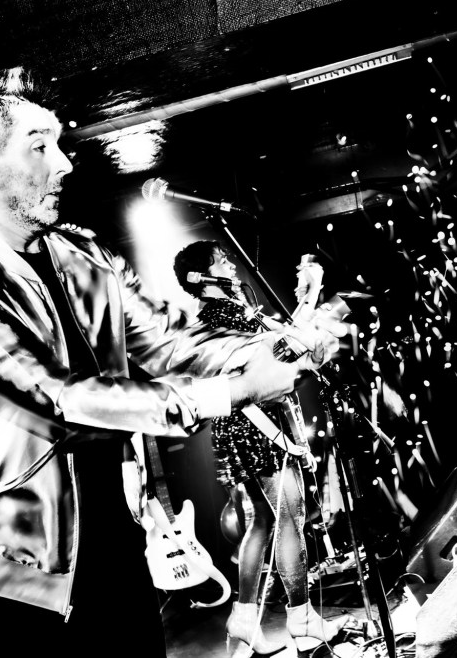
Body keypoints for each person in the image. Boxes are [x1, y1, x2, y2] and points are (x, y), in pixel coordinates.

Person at [0, 79, 338, 658]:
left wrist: (276, 349)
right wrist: (233, 392)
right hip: (11, 578)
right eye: (39, 147)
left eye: (60, 145)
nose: (63, 164)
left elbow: (171, 341)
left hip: (111, 541)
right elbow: (58, 397)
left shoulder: (82, 255)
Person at [173, 241, 349, 656]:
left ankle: (244, 617)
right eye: (221, 261)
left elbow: (284, 342)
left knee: (263, 521)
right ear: (201, 277)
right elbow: (283, 350)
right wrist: (310, 296)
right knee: (291, 516)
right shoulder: (220, 315)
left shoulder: (227, 312)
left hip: (243, 427)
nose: (232, 265)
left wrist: (305, 305)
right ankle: (301, 618)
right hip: (256, 429)